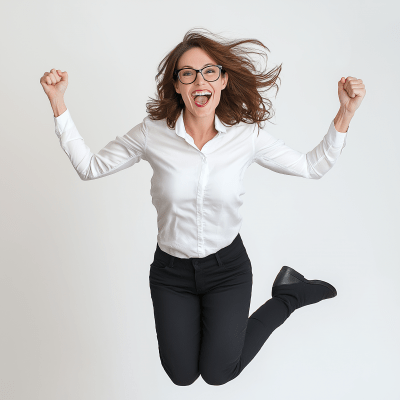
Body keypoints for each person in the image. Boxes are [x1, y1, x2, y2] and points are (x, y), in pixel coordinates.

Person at [40, 28, 366, 386]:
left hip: (227, 269)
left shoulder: (247, 137)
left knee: (217, 372)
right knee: (181, 375)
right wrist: (58, 102)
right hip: (171, 274)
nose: (200, 81)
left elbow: (311, 166)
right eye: (188, 73)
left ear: (223, 80)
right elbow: (90, 167)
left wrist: (345, 114)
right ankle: (272, 302)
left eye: (210, 71)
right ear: (177, 85)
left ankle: (289, 296)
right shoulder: (153, 133)